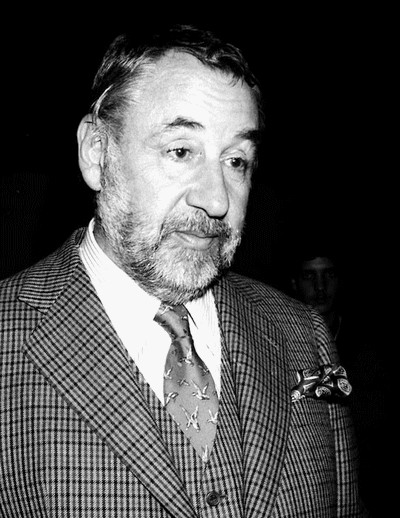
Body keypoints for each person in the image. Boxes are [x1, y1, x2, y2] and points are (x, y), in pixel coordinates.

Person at [0, 24, 367, 517]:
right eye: (181, 151)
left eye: (236, 160)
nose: (217, 200)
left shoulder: (303, 334)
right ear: (97, 153)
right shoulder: (6, 339)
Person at [289, 236, 385, 517]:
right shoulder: (280, 341)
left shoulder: (365, 343)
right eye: (309, 276)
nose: (320, 288)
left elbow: (369, 413)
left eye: (328, 275)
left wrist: (300, 384)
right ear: (294, 282)